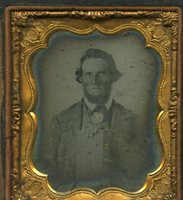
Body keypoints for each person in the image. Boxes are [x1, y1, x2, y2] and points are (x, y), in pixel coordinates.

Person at [41, 48, 153, 192]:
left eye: (101, 73)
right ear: (80, 78)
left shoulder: (133, 121)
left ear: (113, 76)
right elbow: (48, 175)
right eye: (88, 74)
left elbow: (142, 174)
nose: (95, 80)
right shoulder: (61, 122)